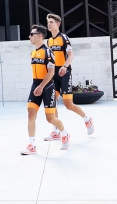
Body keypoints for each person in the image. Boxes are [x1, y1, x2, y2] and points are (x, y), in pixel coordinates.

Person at [44, 14, 94, 141]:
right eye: (48, 22)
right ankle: (55, 131)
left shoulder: (64, 38)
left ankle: (87, 119)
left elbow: (71, 55)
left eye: (51, 22)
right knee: (52, 102)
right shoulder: (49, 41)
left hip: (64, 74)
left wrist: (65, 67)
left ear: (57, 24)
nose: (48, 24)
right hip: (53, 75)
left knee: (69, 105)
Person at [22, 24, 70, 155]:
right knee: (30, 114)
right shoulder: (33, 53)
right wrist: (37, 86)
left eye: (31, 34)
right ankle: (32, 145)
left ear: (39, 36)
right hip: (35, 85)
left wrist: (41, 86)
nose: (29, 37)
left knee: (50, 118)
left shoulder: (48, 51)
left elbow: (51, 72)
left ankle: (64, 133)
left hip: (47, 87)